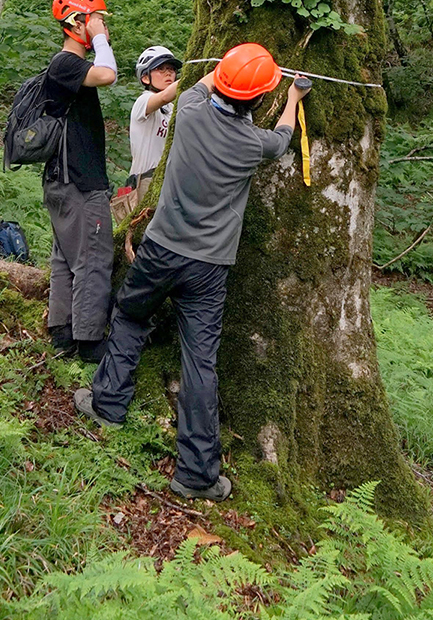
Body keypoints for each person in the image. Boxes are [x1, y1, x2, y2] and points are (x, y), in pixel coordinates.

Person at [75, 43, 310, 501]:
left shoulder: (190, 109)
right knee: (200, 362)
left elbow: (203, 85)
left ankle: (108, 404)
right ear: (259, 98)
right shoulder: (253, 144)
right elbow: (284, 138)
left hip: (161, 250)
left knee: (130, 315)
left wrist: (227, 65)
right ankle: (198, 474)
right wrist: (293, 98)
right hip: (209, 266)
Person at [43, 0, 118, 362]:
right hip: (80, 179)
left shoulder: (67, 69)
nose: (104, 27)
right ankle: (88, 341)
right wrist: (99, 37)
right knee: (94, 256)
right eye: (96, 20)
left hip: (64, 178)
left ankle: (62, 332)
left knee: (66, 255)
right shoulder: (65, 64)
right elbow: (108, 74)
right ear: (77, 24)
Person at [126, 45, 181, 207]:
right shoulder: (143, 100)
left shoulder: (172, 107)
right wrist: (194, 78)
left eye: (171, 69)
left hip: (168, 178)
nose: (168, 73)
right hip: (145, 179)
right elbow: (164, 97)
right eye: (160, 69)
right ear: (145, 78)